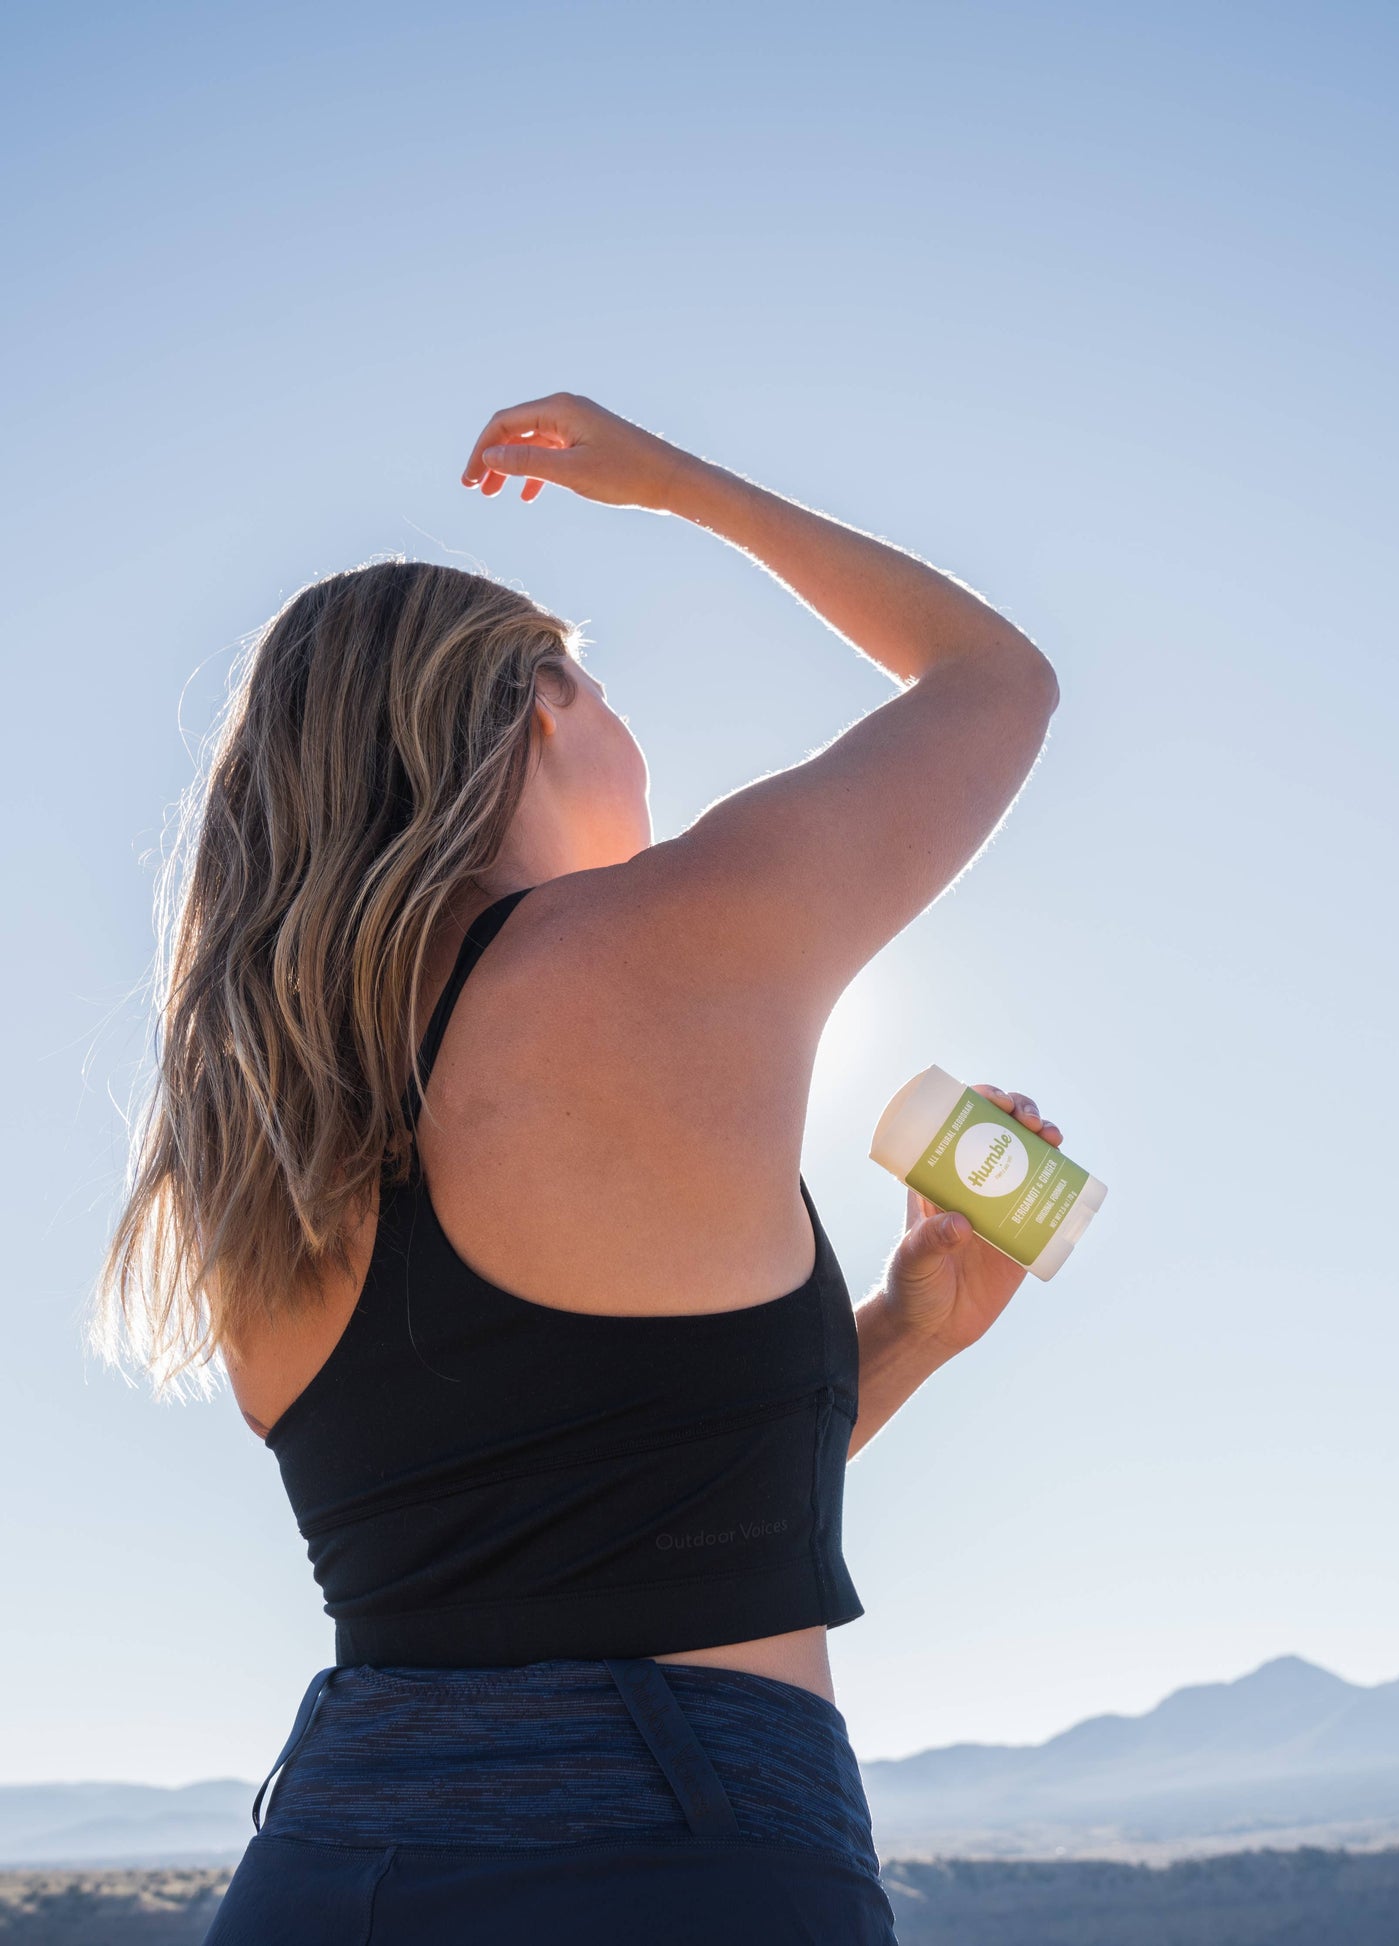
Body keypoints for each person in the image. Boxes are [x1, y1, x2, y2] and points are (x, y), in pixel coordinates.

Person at [99, 393, 1063, 1943]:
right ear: (543, 703)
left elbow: (597, 1517)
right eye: (603, 690)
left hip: (329, 1858)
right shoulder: (655, 947)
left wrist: (906, 1334)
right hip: (679, 1850)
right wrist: (683, 485)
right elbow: (996, 681)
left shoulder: (264, 1140)